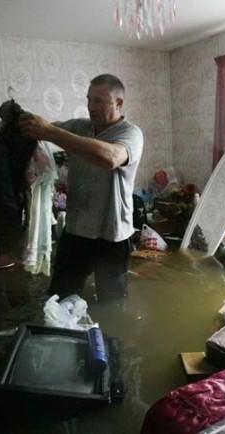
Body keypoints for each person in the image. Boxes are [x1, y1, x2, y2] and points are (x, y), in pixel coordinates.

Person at [19, 74, 144, 299]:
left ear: (118, 103)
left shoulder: (130, 133)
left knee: (112, 302)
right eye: (89, 99)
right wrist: (23, 121)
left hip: (113, 235)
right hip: (77, 229)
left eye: (99, 101)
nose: (91, 107)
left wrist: (50, 132)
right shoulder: (79, 127)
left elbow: (111, 158)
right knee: (60, 296)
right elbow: (43, 129)